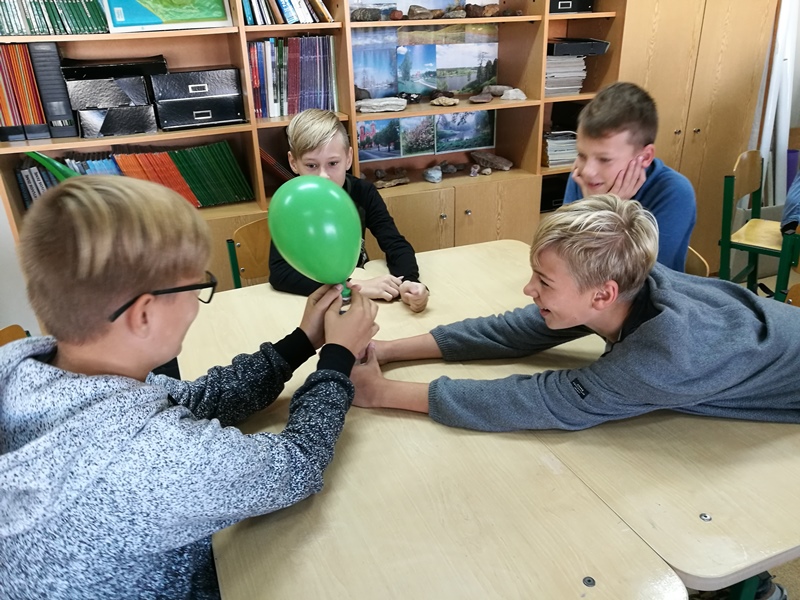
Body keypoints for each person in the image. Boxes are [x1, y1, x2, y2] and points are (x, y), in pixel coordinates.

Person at [0, 175, 378, 599]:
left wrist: (302, 342)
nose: (198, 300)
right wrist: (339, 356)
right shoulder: (154, 463)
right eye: (197, 285)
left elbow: (193, 400)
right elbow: (297, 463)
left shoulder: (33, 369)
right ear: (144, 315)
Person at [350, 194, 800, 434]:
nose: (529, 289)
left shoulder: (662, 356)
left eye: (544, 282)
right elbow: (510, 332)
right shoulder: (624, 285)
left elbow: (538, 401)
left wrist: (380, 393)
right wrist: (386, 350)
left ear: (603, 296)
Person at [269, 108, 429, 313]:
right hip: (314, 307)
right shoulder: (290, 203)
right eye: (311, 165)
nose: (323, 176)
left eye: (333, 163)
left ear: (348, 157)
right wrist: (353, 288)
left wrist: (409, 281)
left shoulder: (363, 192)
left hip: (360, 305)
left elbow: (395, 244)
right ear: (293, 163)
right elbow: (280, 273)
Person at [564, 81, 697, 272]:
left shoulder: (674, 192)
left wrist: (606, 210)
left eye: (604, 159)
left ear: (645, 157)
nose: (588, 170)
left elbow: (635, 277)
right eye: (582, 155)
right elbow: (561, 256)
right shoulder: (585, 178)